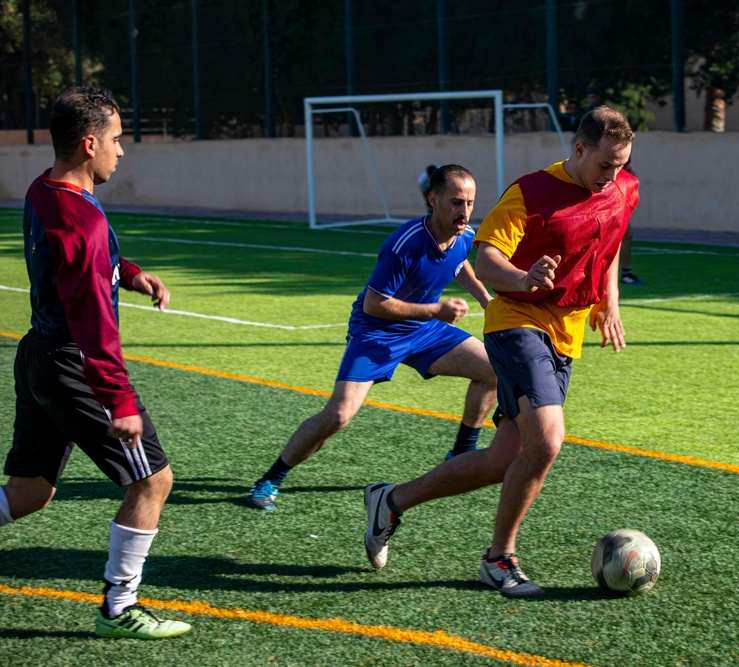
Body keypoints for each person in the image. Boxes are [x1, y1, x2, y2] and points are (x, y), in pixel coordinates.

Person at [362, 106, 638, 597]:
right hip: (517, 323)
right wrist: (524, 279)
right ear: (578, 150)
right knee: (548, 442)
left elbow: (612, 242)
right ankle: (498, 558)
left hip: (566, 336)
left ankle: (390, 501)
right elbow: (486, 258)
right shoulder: (530, 192)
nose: (613, 176)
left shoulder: (621, 187)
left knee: (504, 459)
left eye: (621, 165)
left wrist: (609, 302)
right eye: (605, 165)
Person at [0, 87, 191, 639]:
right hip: (72, 366)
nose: (121, 151)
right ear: (89, 144)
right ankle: (120, 606)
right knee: (154, 481)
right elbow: (94, 328)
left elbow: (79, 262)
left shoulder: (44, 188)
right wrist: (120, 401)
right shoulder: (79, 221)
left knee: (29, 492)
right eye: (115, 140)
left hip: (36, 354)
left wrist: (128, 272)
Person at [248, 165, 496, 512]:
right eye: (456, 202)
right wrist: (435, 311)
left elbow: (459, 264)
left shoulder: (465, 235)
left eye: (469, 202)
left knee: (492, 369)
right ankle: (271, 478)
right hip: (377, 331)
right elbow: (375, 304)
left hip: (424, 328)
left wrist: (486, 300)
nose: (464, 211)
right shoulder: (404, 244)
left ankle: (461, 453)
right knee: (338, 416)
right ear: (433, 199)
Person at [584, 88, 644, 285]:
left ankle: (625, 273)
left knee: (623, 235)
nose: (612, 172)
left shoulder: (621, 155)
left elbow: (629, 171)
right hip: (594, 202)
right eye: (605, 165)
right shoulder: (593, 148)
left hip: (614, 200)